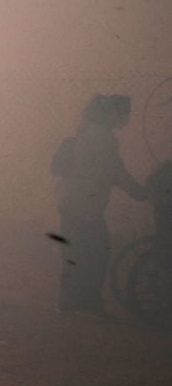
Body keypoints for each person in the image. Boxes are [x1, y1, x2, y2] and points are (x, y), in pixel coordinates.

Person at [51, 94, 148, 315]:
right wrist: (141, 194)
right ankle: (87, 302)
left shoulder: (87, 131)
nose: (126, 118)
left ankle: (70, 302)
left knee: (75, 253)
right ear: (112, 114)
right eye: (124, 113)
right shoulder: (103, 139)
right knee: (97, 254)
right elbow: (115, 172)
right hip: (85, 206)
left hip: (71, 200)